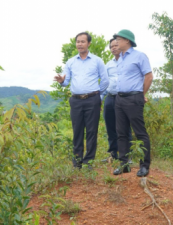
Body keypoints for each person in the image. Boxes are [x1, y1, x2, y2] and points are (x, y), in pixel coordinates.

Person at [54, 32, 109, 169]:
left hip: (92, 100)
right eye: (78, 41)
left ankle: (88, 162)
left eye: (82, 41)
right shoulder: (71, 62)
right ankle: (77, 162)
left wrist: (98, 97)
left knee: (91, 131)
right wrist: (61, 81)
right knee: (77, 131)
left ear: (89, 43)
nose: (79, 44)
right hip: (76, 101)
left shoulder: (97, 61)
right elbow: (66, 81)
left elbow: (105, 80)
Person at [111, 29, 153, 177]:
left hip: (134, 98)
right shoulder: (120, 58)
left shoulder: (139, 56)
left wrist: (141, 95)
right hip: (119, 98)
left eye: (118, 39)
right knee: (121, 133)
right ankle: (124, 164)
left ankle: (144, 166)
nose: (116, 42)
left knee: (140, 133)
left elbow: (148, 76)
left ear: (127, 41)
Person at [102, 38, 132, 162]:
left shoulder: (129, 62)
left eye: (116, 45)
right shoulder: (108, 65)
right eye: (111, 46)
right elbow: (105, 82)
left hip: (125, 98)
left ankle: (127, 156)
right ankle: (113, 154)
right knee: (110, 127)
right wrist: (100, 97)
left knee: (124, 127)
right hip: (110, 97)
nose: (113, 48)